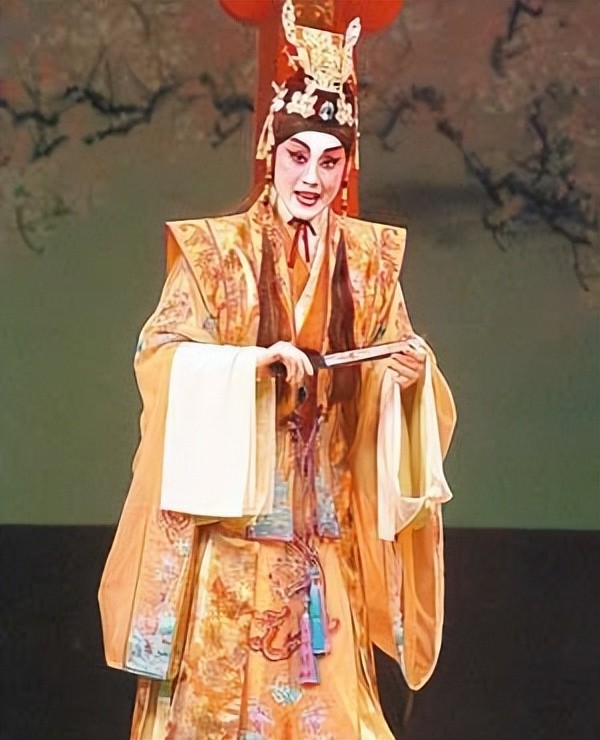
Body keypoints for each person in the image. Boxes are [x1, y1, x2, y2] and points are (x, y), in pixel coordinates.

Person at [98, 2, 456, 737]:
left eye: (330, 161)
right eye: (298, 156)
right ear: (270, 147)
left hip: (323, 546)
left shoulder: (371, 263)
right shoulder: (215, 253)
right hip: (229, 547)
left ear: (347, 166)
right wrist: (246, 369)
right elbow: (161, 356)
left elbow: (388, 371)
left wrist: (408, 381)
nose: (312, 178)